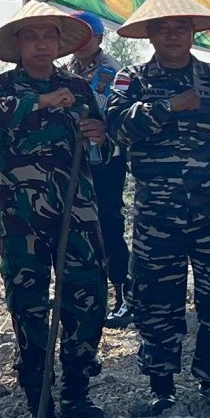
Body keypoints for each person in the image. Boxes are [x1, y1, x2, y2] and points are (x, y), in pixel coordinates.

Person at [112, 0, 210, 414]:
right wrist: (168, 107)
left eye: (181, 27)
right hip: (157, 216)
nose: (173, 35)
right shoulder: (133, 79)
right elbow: (117, 125)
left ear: (193, 32)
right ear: (150, 35)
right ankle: (161, 385)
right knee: (157, 302)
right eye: (163, 28)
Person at [0, 0, 109, 418]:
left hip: (78, 213)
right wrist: (44, 100)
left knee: (86, 298)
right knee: (28, 305)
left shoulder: (81, 89)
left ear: (58, 43)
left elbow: (100, 153)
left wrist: (98, 136)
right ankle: (39, 400)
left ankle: (76, 391)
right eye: (30, 36)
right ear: (17, 45)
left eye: (47, 36)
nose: (40, 44)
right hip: (22, 218)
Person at [66, 17, 133, 324]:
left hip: (107, 159)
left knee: (108, 220)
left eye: (86, 37)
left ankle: (123, 293)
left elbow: (120, 115)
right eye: (74, 37)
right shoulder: (67, 71)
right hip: (75, 161)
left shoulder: (113, 71)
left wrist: (103, 130)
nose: (79, 43)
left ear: (98, 37)